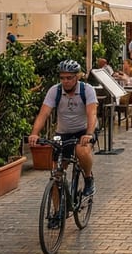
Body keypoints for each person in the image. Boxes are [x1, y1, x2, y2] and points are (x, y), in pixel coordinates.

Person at [28, 59, 98, 196]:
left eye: (69, 78)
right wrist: (34, 133)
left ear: (77, 77)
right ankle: (57, 213)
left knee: (82, 151)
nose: (65, 81)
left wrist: (89, 134)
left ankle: (88, 178)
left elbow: (92, 113)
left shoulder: (87, 90)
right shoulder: (55, 91)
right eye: (62, 78)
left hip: (83, 131)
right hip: (63, 133)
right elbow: (44, 114)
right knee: (56, 176)